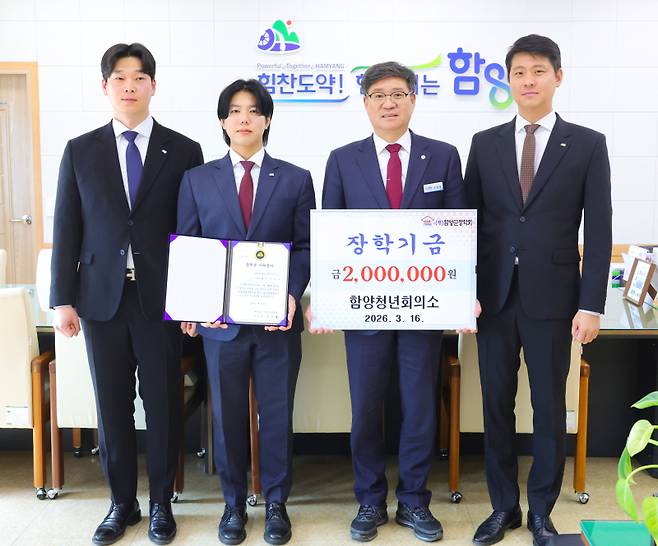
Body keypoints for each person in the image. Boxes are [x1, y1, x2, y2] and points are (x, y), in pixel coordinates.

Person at [50, 43, 204, 545]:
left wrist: (195, 301)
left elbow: (194, 232)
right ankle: (121, 503)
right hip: (100, 301)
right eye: (119, 78)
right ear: (105, 87)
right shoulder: (80, 149)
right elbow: (67, 227)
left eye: (139, 77)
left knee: (162, 403)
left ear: (153, 85)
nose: (129, 86)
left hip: (161, 300)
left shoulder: (184, 150)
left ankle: (161, 503)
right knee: (111, 405)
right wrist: (63, 299)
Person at [308, 61, 467, 542]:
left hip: (424, 306)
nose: (389, 103)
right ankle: (370, 500)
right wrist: (324, 296)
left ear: (414, 99)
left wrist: (465, 296)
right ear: (365, 104)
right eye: (378, 95)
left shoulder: (443, 157)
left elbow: (458, 231)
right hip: (364, 308)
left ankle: (415, 501)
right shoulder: (343, 160)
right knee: (365, 408)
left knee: (420, 407)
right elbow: (331, 235)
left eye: (398, 94)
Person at [464, 34, 612, 546]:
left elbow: (599, 229)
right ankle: (503, 507)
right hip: (493, 298)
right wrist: (463, 289)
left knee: (549, 408)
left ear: (558, 77)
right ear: (508, 80)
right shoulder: (484, 143)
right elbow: (468, 224)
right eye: (519, 72)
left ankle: (542, 511)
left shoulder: (587, 143)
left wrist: (591, 304)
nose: (528, 80)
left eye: (538, 71)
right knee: (495, 405)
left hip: (554, 299)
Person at [177, 79, 315, 546]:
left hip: (277, 323)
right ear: (222, 121)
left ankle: (276, 503)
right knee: (228, 417)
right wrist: (195, 304)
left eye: (253, 111)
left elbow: (305, 247)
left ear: (267, 120)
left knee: (277, 417)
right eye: (234, 111)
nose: (244, 118)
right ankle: (233, 504)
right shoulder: (197, 179)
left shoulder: (295, 178)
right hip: (222, 327)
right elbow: (190, 246)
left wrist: (292, 294)